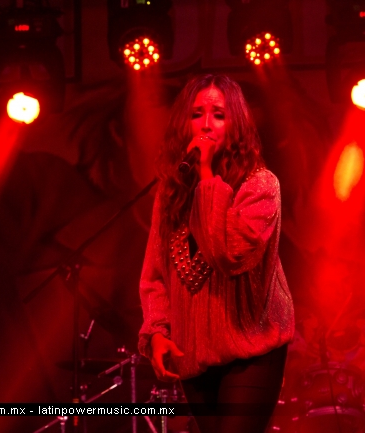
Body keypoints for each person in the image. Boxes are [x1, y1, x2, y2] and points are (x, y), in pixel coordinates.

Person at [138, 74, 295, 433]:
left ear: (236, 124)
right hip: (194, 356)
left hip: (252, 349)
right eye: (197, 114)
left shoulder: (261, 186)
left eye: (219, 114)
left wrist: (207, 175)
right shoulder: (171, 193)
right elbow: (155, 274)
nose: (206, 124)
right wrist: (157, 332)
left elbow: (228, 254)